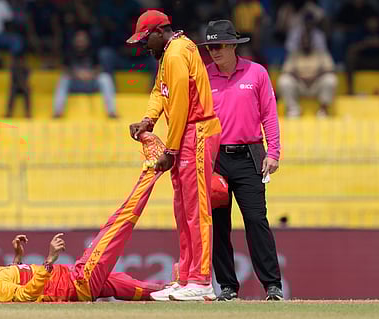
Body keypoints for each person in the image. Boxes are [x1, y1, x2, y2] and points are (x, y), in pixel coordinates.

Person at [0, 132, 168, 302]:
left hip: (73, 279)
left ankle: (178, 292)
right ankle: (152, 168)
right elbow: (24, 298)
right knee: (117, 225)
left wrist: (17, 258)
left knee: (132, 288)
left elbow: (15, 291)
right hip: (77, 281)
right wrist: (49, 261)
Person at [127, 10, 221, 301]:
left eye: (146, 40)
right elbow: (160, 91)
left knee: (196, 209)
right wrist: (148, 120)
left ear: (159, 31)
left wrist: (170, 149)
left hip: (197, 132)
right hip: (188, 134)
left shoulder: (177, 54)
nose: (144, 47)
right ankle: (187, 278)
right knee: (183, 209)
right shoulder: (169, 52)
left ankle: (202, 281)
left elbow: (179, 105)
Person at [198, 19, 283, 301]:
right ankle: (227, 286)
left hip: (250, 155)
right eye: (210, 47)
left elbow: (269, 113)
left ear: (234, 45)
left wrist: (274, 152)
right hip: (215, 158)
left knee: (256, 220)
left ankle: (272, 285)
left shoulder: (256, 73)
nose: (214, 51)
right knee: (219, 225)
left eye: (220, 45)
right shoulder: (203, 76)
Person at [53, 29, 117, 119]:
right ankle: (57, 112)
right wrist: (77, 74)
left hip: (91, 82)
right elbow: (64, 69)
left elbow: (100, 68)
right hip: (75, 84)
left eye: (83, 40)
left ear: (87, 41)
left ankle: (111, 112)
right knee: (64, 79)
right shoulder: (69, 52)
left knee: (105, 78)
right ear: (74, 40)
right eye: (78, 40)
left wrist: (91, 74)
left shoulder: (93, 51)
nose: (80, 42)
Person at [278, 28, 337, 117]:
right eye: (303, 41)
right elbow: (286, 71)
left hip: (316, 84)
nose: (306, 43)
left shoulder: (321, 53)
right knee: (284, 80)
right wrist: (299, 77)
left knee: (330, 79)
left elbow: (330, 69)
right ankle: (293, 109)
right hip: (300, 85)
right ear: (300, 42)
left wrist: (315, 76)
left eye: (308, 41)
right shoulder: (294, 54)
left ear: (312, 42)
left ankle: (323, 110)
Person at [6, 53, 31, 118]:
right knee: (12, 92)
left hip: (23, 84)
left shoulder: (25, 66)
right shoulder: (13, 66)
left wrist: (22, 83)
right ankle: (9, 112)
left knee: (27, 92)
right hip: (17, 85)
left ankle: (28, 112)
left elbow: (27, 75)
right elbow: (13, 77)